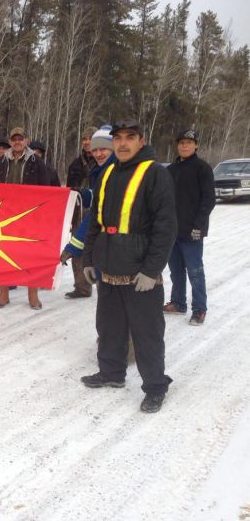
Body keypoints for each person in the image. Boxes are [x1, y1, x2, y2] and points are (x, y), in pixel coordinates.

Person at [81, 119, 177, 413]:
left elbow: (166, 227)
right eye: (118, 138)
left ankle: (155, 387)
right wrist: (88, 258)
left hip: (140, 274)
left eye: (129, 138)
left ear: (141, 140)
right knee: (109, 327)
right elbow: (95, 220)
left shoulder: (155, 174)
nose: (122, 143)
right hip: (108, 269)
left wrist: (151, 270)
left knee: (147, 333)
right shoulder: (107, 172)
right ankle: (112, 373)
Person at [0, 127, 50, 309]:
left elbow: (46, 188)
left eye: (21, 138)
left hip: (29, 216)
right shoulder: (2, 162)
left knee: (30, 255)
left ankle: (32, 295)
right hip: (5, 216)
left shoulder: (36, 161)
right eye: (14, 138)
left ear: (27, 140)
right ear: (10, 141)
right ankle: (4, 294)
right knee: (3, 254)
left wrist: (40, 212)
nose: (17, 141)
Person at [164, 130, 215, 325]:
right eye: (181, 142)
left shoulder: (202, 168)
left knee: (195, 271)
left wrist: (199, 226)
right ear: (177, 145)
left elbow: (209, 200)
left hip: (192, 231)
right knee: (176, 270)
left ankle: (199, 309)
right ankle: (178, 303)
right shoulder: (170, 170)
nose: (185, 146)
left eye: (189, 142)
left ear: (196, 145)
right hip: (173, 231)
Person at [61, 126, 115, 265]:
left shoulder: (115, 172)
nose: (98, 154)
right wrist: (82, 194)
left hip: (117, 240)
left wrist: (74, 246)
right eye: (95, 150)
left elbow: (98, 209)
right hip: (101, 234)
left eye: (103, 149)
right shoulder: (100, 171)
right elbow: (98, 198)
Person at [65, 126, 98, 299]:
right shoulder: (75, 164)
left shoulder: (106, 162)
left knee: (100, 249)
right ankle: (82, 287)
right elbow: (70, 191)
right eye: (84, 139)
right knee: (77, 249)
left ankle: (106, 286)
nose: (86, 142)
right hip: (79, 211)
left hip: (100, 211)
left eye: (90, 138)